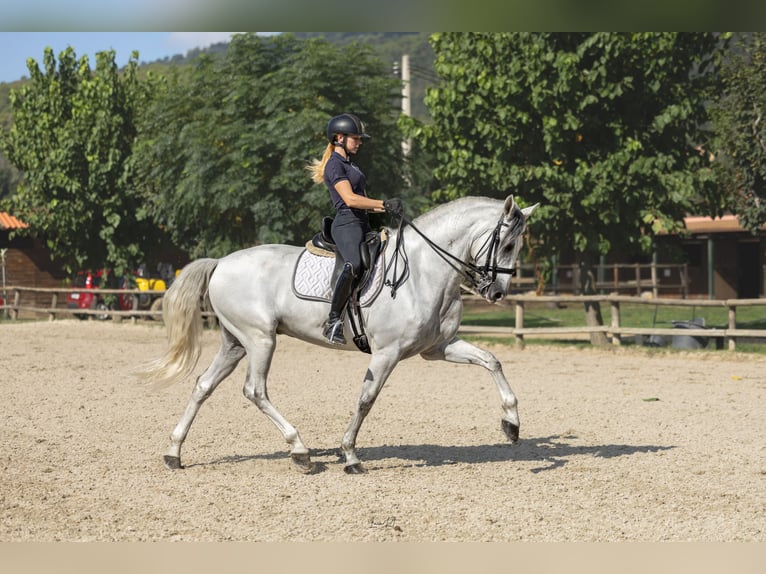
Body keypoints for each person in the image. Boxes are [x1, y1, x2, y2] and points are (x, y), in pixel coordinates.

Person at [307, 113, 403, 345]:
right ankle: (333, 321)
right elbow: (350, 200)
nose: (359, 142)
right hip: (347, 223)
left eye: (360, 139)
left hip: (362, 222)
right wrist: (383, 204)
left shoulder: (351, 165)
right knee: (354, 264)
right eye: (355, 138)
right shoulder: (334, 165)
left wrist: (387, 210)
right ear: (339, 138)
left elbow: (364, 200)